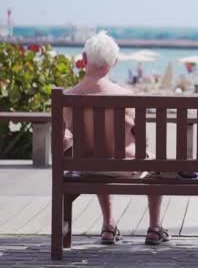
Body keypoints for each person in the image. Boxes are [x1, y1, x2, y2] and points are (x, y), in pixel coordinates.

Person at [62, 31, 169, 245]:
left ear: (84, 60)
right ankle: (154, 228)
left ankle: (109, 225)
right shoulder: (127, 97)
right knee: (156, 163)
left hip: (87, 167)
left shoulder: (68, 97)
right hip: (125, 166)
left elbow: (63, 140)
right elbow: (143, 139)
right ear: (115, 62)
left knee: (100, 155)